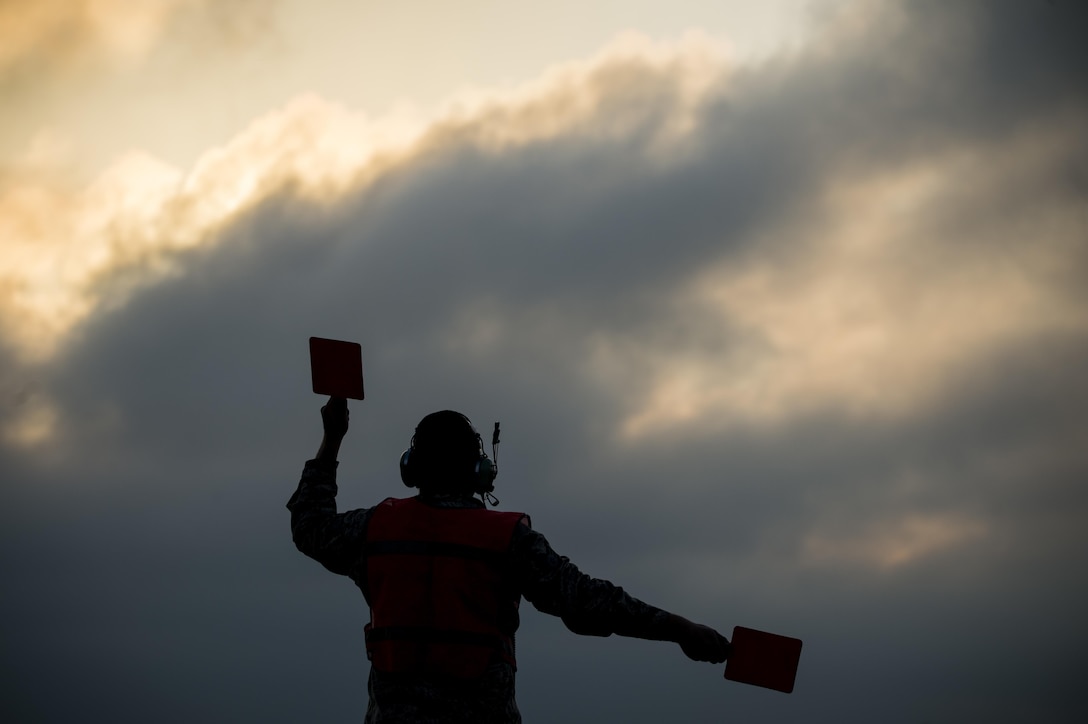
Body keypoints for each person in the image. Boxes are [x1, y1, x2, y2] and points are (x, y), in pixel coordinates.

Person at [288, 397, 732, 723]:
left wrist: (332, 438)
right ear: (481, 471)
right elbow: (587, 601)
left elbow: (310, 526)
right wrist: (680, 629)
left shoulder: (375, 529)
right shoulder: (506, 538)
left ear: (412, 468)